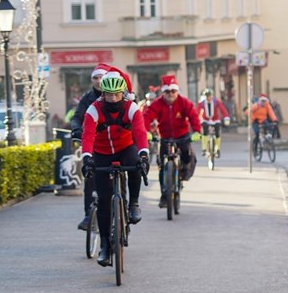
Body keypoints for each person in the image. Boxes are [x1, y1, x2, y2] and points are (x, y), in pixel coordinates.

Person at [80, 68, 150, 266]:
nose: (113, 99)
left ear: (123, 93)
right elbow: (87, 136)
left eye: (117, 94)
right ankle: (104, 246)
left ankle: (133, 203)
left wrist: (144, 154)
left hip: (125, 147)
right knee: (103, 200)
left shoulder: (131, 108)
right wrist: (87, 159)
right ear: (103, 94)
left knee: (136, 164)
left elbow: (140, 133)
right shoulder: (93, 110)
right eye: (109, 95)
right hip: (101, 153)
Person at [143, 75, 201, 208]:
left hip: (182, 136)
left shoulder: (184, 102)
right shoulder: (157, 104)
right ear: (163, 92)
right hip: (164, 137)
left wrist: (197, 131)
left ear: (177, 91)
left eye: (173, 91)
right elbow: (147, 116)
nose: (170, 94)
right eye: (167, 92)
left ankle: (184, 172)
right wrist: (146, 131)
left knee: (187, 155)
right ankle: (164, 194)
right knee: (161, 164)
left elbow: (193, 116)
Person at [71, 62, 110, 231]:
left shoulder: (121, 95)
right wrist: (77, 130)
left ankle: (127, 207)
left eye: (102, 77)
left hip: (116, 144)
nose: (99, 81)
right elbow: (76, 117)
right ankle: (88, 215)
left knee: (124, 172)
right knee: (90, 176)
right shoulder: (87, 99)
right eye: (95, 77)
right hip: (93, 144)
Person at [199, 87, 231, 158]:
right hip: (206, 119)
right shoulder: (202, 103)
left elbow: (223, 109)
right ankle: (204, 149)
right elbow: (196, 111)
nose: (208, 97)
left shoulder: (216, 102)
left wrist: (226, 117)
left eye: (209, 95)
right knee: (204, 131)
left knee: (217, 132)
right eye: (207, 95)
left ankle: (217, 149)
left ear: (212, 95)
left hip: (215, 119)